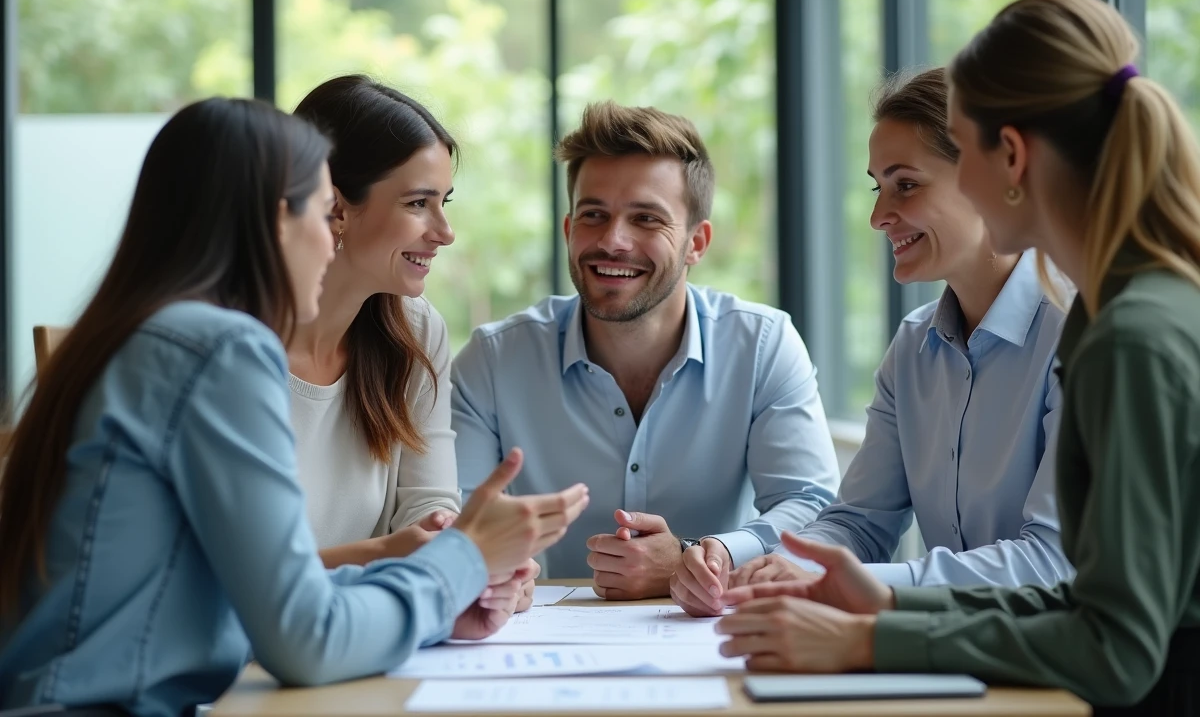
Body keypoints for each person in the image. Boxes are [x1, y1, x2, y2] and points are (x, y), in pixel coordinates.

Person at [0, 97, 588, 717]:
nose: (328, 231)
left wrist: (445, 591)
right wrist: (462, 563)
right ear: (274, 220)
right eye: (321, 208)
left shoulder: (143, 334)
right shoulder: (221, 350)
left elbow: (230, 599)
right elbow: (307, 638)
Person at [714, 0, 1200, 715]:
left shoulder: (1124, 336)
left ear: (1009, 155)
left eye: (960, 154)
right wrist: (879, 603)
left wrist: (869, 639)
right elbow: (1088, 603)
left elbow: (1115, 646)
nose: (881, 215)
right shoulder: (1136, 311)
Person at [682, 69, 1073, 617]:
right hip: (960, 658)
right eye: (877, 186)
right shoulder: (914, 346)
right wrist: (787, 567)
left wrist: (872, 584)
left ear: (988, 179)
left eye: (905, 184)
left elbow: (1055, 562)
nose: (877, 216)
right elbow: (860, 522)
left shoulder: (1081, 334)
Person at [452, 101, 840, 597]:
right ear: (570, 232)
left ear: (696, 243)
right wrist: (497, 572)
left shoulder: (762, 345)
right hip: (537, 634)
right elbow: (459, 517)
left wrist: (705, 555)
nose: (613, 241)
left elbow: (809, 505)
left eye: (646, 219)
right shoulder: (493, 361)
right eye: (594, 215)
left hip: (711, 638)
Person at [288, 76, 538, 616]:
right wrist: (390, 558)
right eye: (418, 203)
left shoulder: (416, 332)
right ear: (335, 207)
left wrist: (470, 555)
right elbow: (226, 574)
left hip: (356, 635)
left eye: (443, 202)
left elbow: (426, 507)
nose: (445, 232)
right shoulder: (227, 346)